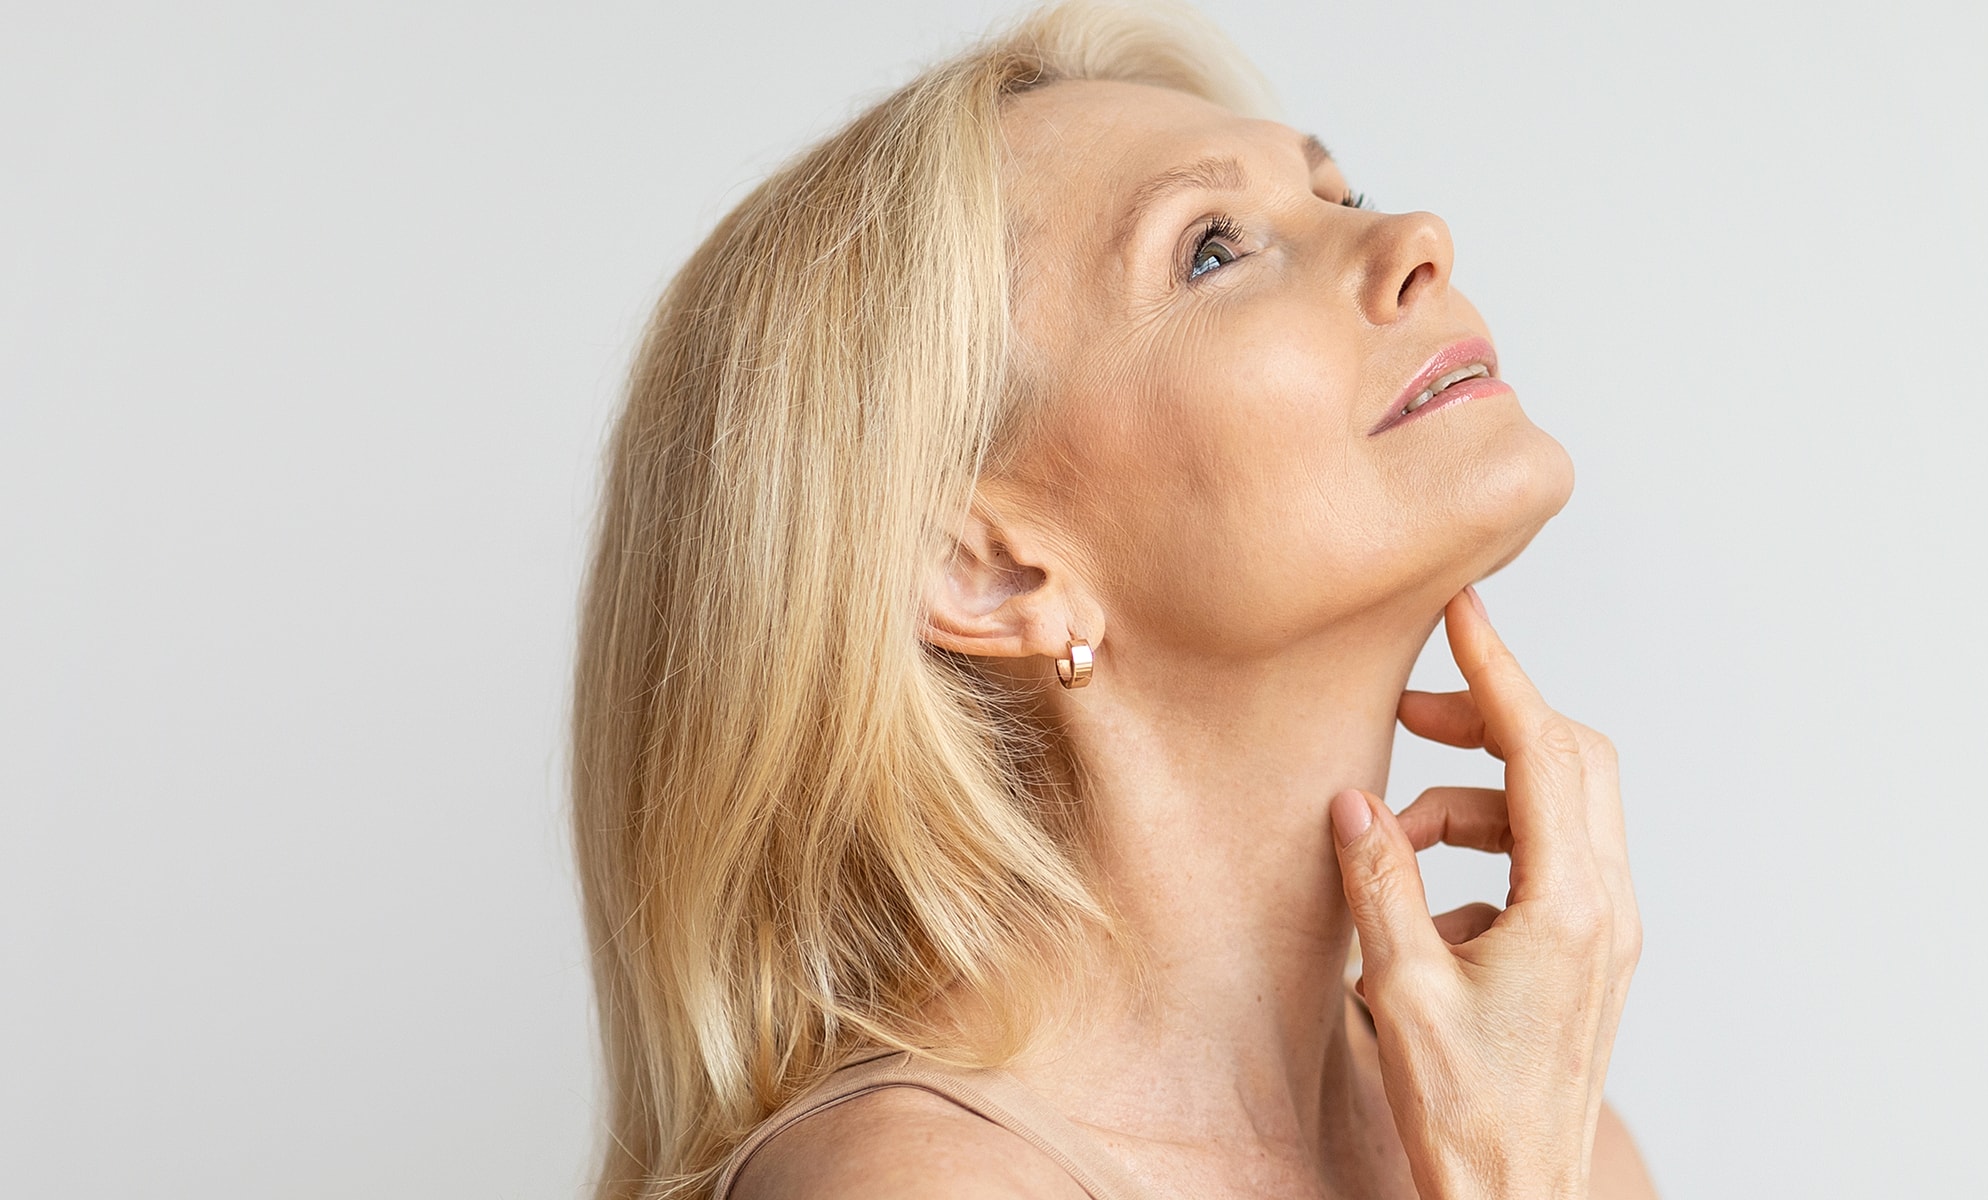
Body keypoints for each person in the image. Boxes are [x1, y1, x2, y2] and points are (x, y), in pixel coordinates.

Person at [570, 2, 1651, 1196]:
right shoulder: (913, 1181)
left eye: (1338, 195)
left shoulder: (1550, 1129)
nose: (1416, 237)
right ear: (988, 570)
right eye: (1211, 249)